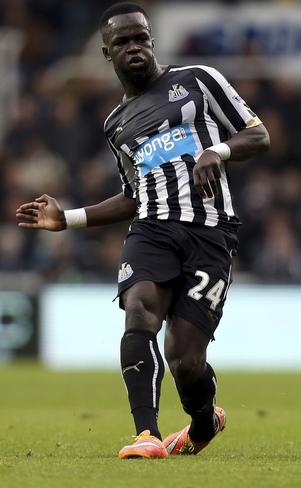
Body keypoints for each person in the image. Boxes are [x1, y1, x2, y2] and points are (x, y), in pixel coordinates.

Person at [15, 2, 270, 459]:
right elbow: (134, 195)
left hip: (210, 232)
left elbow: (257, 134)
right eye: (123, 42)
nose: (134, 48)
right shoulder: (117, 125)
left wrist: (218, 152)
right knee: (139, 313)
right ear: (106, 54)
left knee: (186, 360)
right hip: (151, 229)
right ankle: (146, 435)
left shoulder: (198, 80)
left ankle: (203, 421)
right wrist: (69, 218)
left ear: (152, 41)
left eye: (141, 38)